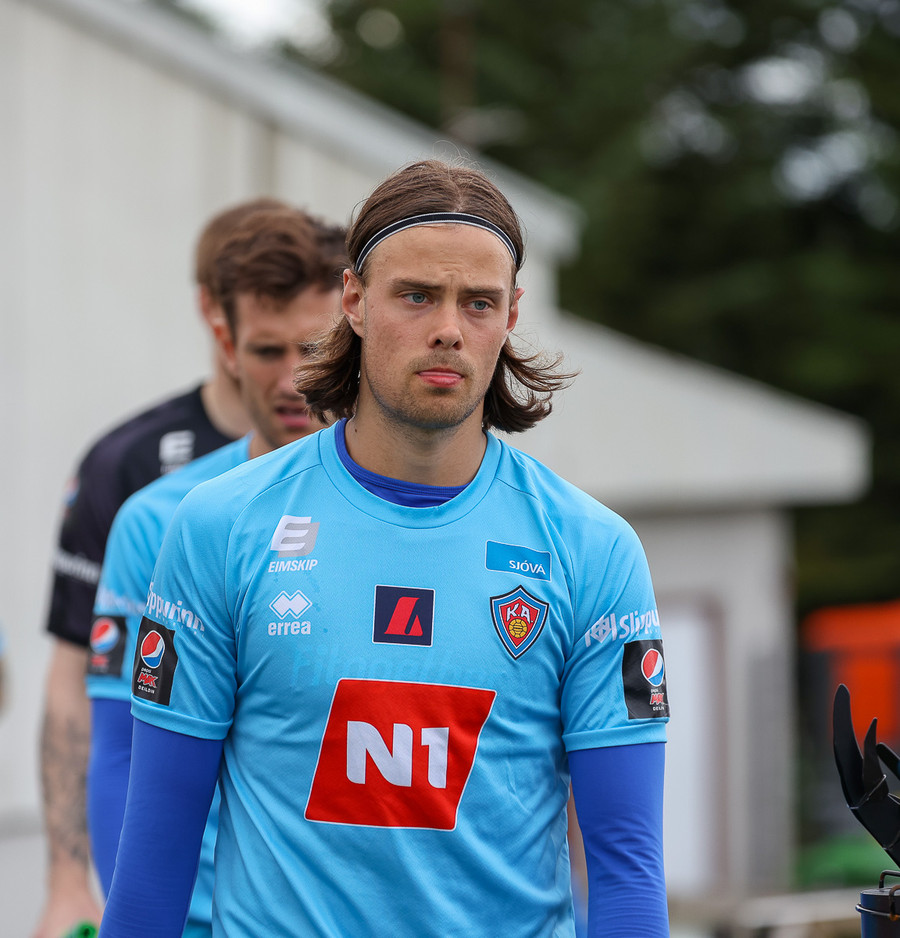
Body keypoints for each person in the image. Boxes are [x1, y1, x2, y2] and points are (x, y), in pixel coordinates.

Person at [99, 159, 670, 938]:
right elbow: (154, 863)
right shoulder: (219, 527)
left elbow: (628, 870)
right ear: (354, 302)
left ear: (511, 314)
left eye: (478, 302)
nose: (448, 329)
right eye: (417, 295)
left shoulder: (593, 549)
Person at [86, 206, 346, 936]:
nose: (293, 378)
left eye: (314, 347)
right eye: (267, 350)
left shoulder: (416, 513)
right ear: (226, 344)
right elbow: (119, 754)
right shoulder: (157, 520)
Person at [32, 197, 284, 938]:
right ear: (218, 318)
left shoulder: (366, 472)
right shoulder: (132, 470)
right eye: (269, 346)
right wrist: (68, 880)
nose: (293, 376)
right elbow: (78, 680)